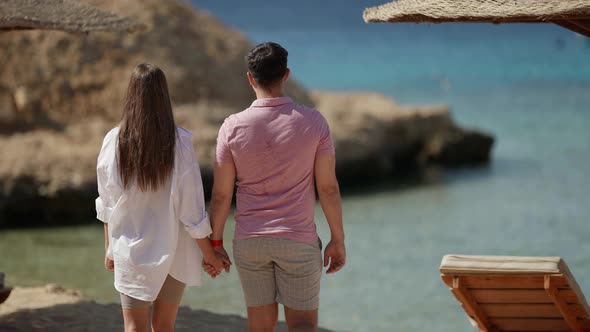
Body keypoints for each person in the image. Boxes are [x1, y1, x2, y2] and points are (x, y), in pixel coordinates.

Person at [206, 42, 346, 332]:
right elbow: (328, 188)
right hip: (298, 241)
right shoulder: (314, 122)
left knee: (260, 328)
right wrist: (337, 238)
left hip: (250, 242)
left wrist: (215, 244)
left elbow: (221, 196)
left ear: (250, 78)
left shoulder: (231, 127)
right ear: (286, 75)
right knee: (304, 326)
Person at [96, 63, 229, 332]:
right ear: (164, 96)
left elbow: (107, 204)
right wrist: (210, 254)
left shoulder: (113, 141)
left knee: (134, 326)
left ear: (131, 96)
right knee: (164, 326)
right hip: (174, 250)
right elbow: (191, 211)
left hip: (130, 249)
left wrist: (110, 249)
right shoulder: (179, 143)